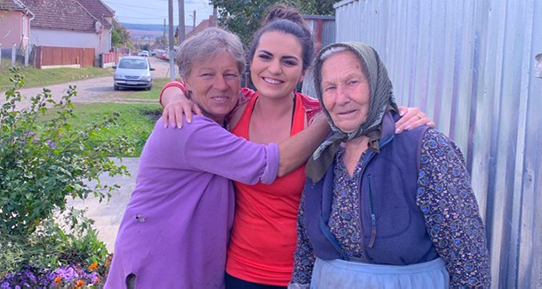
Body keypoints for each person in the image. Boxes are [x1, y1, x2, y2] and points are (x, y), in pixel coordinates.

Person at [160, 5, 434, 288]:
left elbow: (370, 117)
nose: (274, 69)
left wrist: (406, 117)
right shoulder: (235, 107)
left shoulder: (321, 117)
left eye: (288, 61)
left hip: (305, 272)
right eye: (265, 57)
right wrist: (175, 95)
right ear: (251, 63)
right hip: (239, 271)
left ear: (304, 72)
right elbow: (193, 84)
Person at [104, 28, 331, 289]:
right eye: (207, 74)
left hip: (210, 266)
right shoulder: (187, 126)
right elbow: (272, 163)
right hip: (159, 265)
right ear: (187, 81)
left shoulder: (229, 109)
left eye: (230, 75)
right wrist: (326, 122)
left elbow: (362, 111)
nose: (221, 85)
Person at [290, 42, 491, 288]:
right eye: (330, 87)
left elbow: (468, 258)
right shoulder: (324, 153)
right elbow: (306, 247)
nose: (340, 98)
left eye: (352, 82)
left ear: (377, 83)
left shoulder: (427, 148)